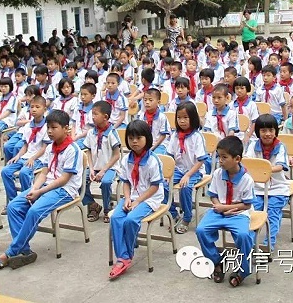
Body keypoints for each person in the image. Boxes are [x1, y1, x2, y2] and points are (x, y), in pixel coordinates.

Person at [0, 110, 83, 270]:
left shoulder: (73, 150)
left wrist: (39, 193)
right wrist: (34, 188)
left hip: (65, 190)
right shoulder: (50, 147)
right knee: (14, 207)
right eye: (48, 128)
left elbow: (64, 179)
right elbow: (44, 172)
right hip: (47, 187)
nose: (50, 131)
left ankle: (10, 252)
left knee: (34, 211)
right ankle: (24, 251)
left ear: (66, 128)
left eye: (54, 127)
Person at [195, 136, 255, 287]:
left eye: (224, 157)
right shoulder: (217, 174)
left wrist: (227, 208)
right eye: (219, 156)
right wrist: (218, 206)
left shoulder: (247, 179)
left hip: (238, 214)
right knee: (201, 230)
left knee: (243, 235)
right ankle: (217, 261)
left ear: (237, 159)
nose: (220, 160)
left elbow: (247, 205)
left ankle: (243, 270)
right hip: (218, 211)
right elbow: (213, 195)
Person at [109, 119, 165, 279]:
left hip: (149, 198)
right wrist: (127, 198)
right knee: (116, 218)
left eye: (138, 138)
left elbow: (154, 187)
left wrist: (137, 201)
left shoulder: (153, 161)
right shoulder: (127, 159)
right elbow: (125, 181)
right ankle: (123, 255)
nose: (134, 142)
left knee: (131, 220)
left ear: (147, 138)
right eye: (131, 138)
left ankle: (125, 257)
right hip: (132, 196)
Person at [245, 114, 290, 251]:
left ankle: (268, 244)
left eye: (271, 130)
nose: (268, 134)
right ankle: (251, 244)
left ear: (276, 131)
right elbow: (247, 162)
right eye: (263, 131)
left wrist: (264, 168)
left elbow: (281, 166)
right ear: (258, 132)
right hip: (257, 188)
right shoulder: (253, 145)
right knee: (253, 213)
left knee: (272, 213)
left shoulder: (280, 147)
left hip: (277, 188)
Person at [166, 101, 209, 234]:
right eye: (179, 118)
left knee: (185, 187)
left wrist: (188, 175)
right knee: (162, 185)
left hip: (194, 170)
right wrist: (168, 174)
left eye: (186, 117)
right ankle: (173, 213)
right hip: (178, 169)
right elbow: (170, 156)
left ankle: (187, 216)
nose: (182, 121)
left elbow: (200, 161)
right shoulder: (174, 135)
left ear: (193, 118)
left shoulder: (197, 137)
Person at [82, 101, 121, 223]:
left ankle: (107, 208)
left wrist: (103, 171)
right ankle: (93, 205)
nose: (93, 117)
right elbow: (88, 151)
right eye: (92, 114)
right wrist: (92, 169)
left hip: (110, 167)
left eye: (95, 114)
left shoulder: (111, 133)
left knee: (106, 182)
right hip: (95, 167)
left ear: (105, 117)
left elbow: (116, 155)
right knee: (80, 180)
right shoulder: (90, 132)